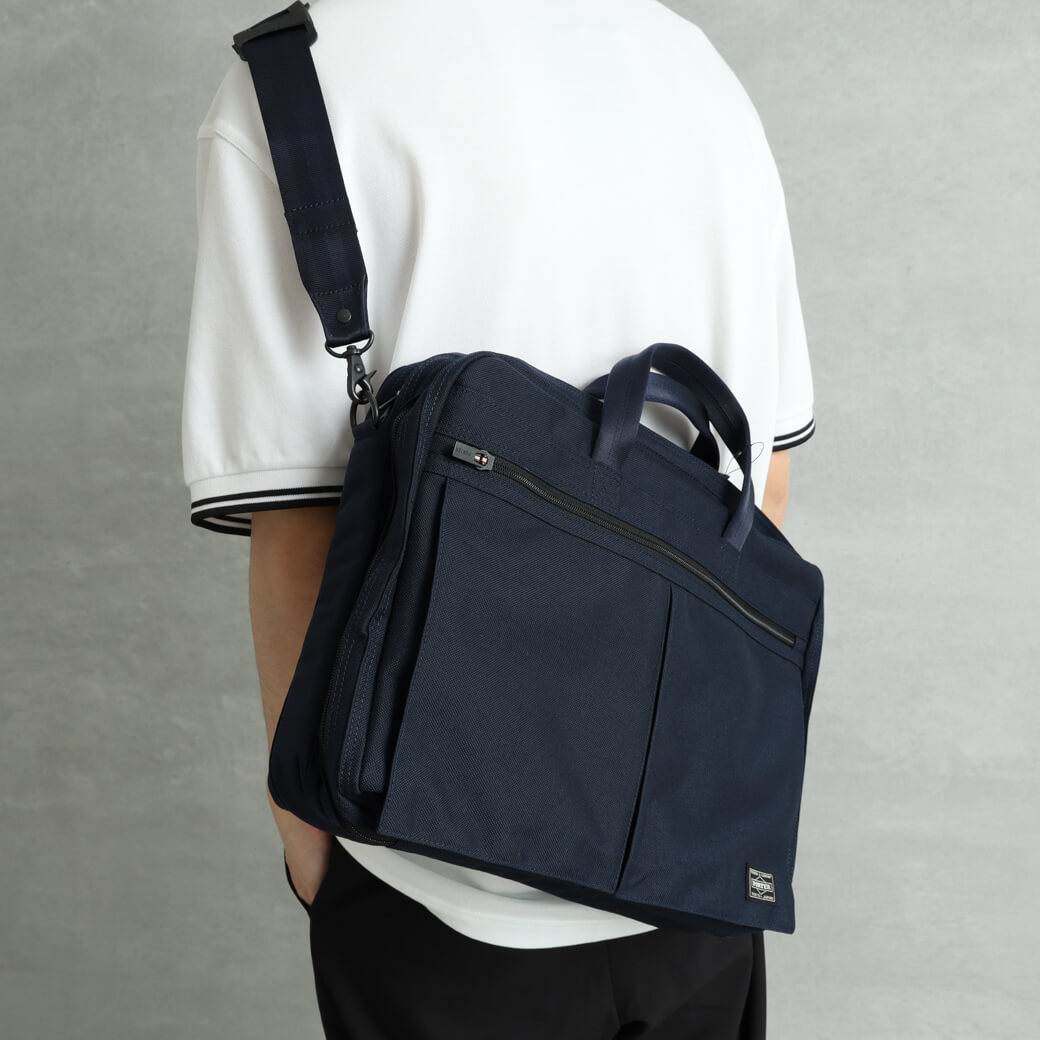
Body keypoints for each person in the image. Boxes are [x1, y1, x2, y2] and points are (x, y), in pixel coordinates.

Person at [181, 0, 816, 1036]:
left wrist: (317, 861)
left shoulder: (293, 83)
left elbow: (301, 538)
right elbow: (762, 498)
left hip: (433, 892)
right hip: (692, 888)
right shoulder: (696, 69)